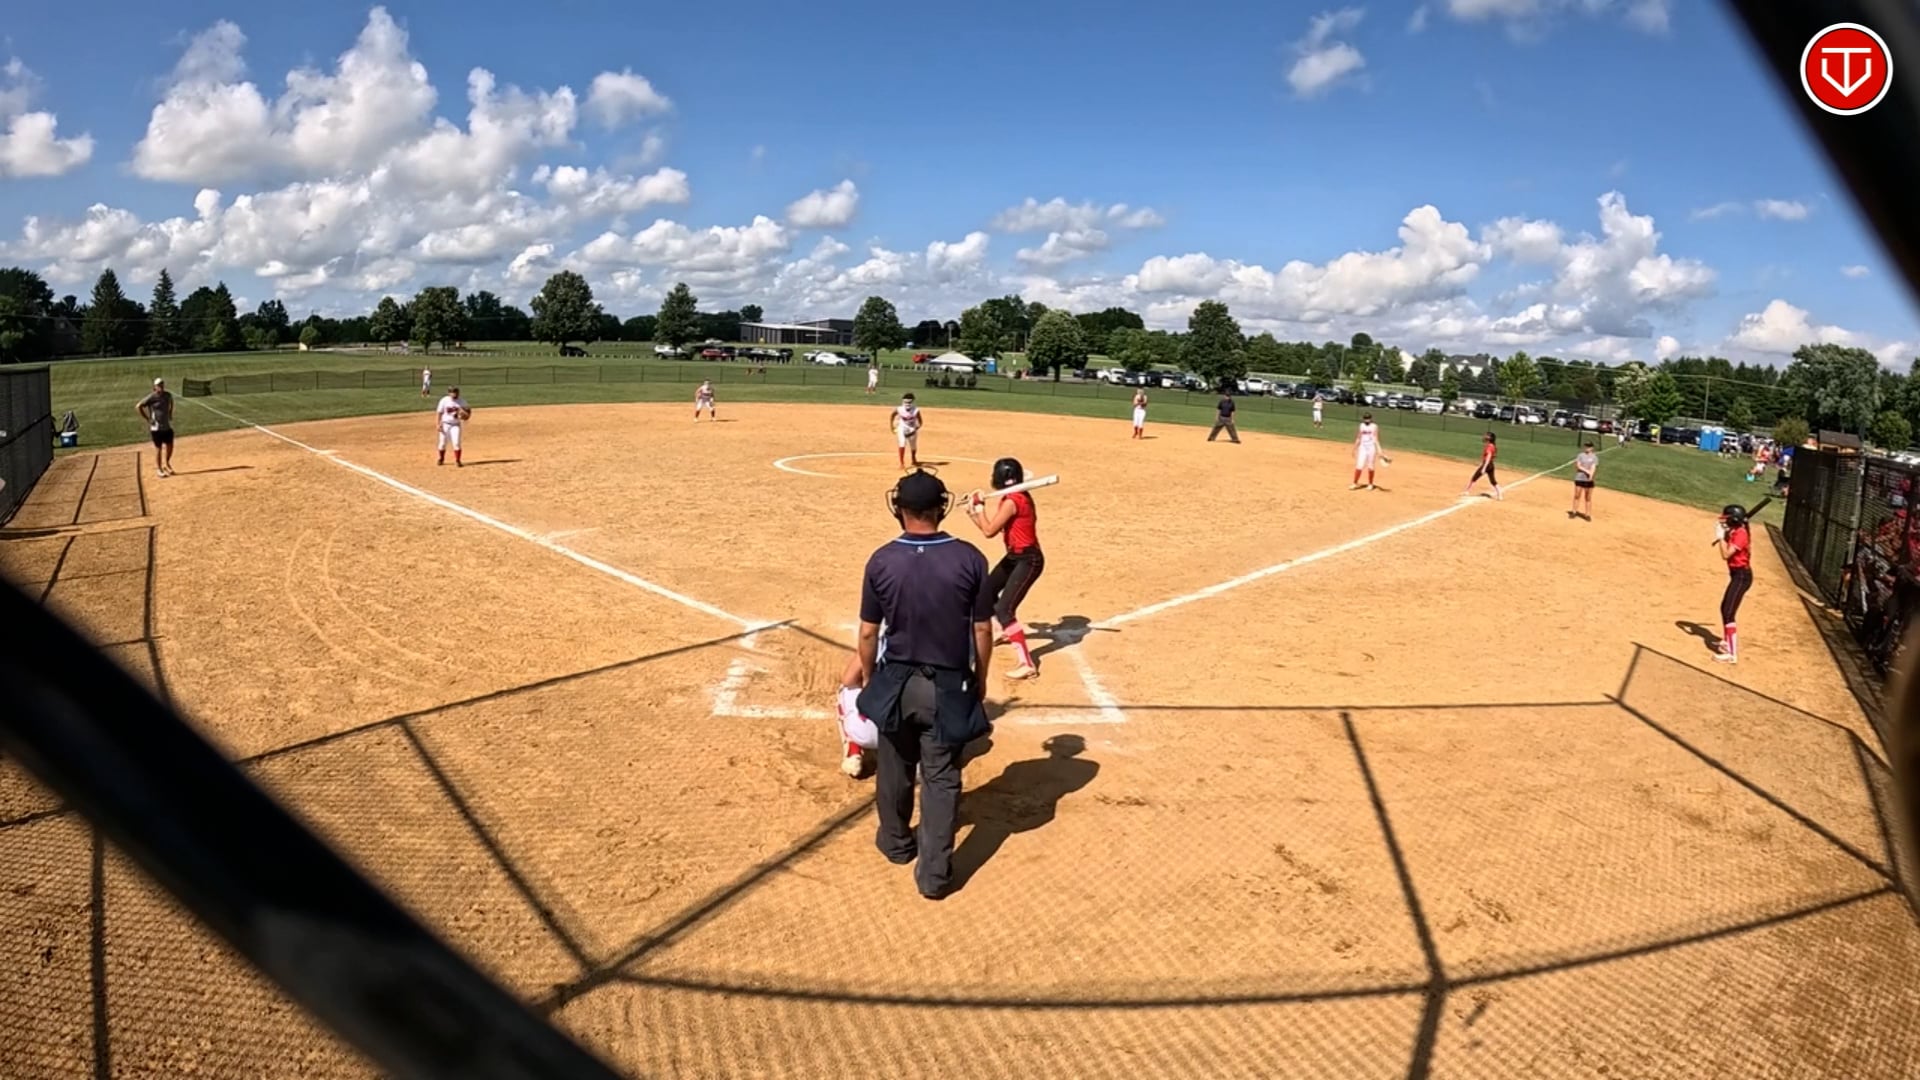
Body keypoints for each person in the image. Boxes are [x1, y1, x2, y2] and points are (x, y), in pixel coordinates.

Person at [846, 469, 993, 899]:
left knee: (894, 764)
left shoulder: (882, 559)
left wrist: (871, 678)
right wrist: (980, 678)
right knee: (941, 777)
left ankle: (896, 844)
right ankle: (933, 876)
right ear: (941, 508)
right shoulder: (970, 558)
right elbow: (982, 630)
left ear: (899, 508)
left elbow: (869, 633)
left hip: (896, 680)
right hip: (947, 684)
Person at [966, 458, 1045, 680]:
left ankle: (1027, 664)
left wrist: (980, 508)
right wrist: (973, 513)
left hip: (1029, 559)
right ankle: (1004, 631)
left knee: (1004, 609)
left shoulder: (1012, 501)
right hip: (1014, 556)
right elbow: (990, 528)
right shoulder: (1014, 497)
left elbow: (989, 531)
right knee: (987, 591)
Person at [1713, 503, 1753, 663]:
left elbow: (1726, 555)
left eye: (1728, 519)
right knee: (1725, 608)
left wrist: (1720, 538)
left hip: (1742, 577)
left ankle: (1731, 654)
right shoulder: (1736, 531)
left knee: (1728, 611)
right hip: (1736, 575)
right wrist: (1725, 534)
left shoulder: (1741, 534)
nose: (1724, 522)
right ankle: (1726, 642)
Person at [136, 378, 176, 478]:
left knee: (170, 445)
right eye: (158, 385)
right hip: (156, 428)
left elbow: (171, 401)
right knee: (158, 449)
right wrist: (148, 419)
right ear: (155, 387)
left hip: (166, 426)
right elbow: (139, 406)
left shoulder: (167, 395)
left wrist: (170, 413)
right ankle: (159, 469)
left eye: (162, 384)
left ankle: (167, 463)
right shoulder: (152, 397)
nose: (161, 386)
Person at [435, 386, 470, 466]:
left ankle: (458, 460)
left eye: (456, 392)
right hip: (445, 424)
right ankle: (441, 459)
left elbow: (468, 413)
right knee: (442, 443)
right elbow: (439, 413)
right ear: (449, 393)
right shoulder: (444, 400)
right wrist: (438, 424)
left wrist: (465, 415)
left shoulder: (462, 401)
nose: (454, 394)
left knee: (456, 443)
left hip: (456, 425)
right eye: (452, 392)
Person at [1463, 431, 1503, 500]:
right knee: (1493, 481)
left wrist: (1484, 467)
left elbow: (1488, 457)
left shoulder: (1489, 447)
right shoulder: (1493, 446)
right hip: (1491, 465)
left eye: (1487, 436)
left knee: (1474, 477)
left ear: (1490, 438)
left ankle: (1467, 491)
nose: (1485, 437)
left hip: (1487, 464)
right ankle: (1500, 495)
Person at [1351, 412, 1384, 490]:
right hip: (1363, 448)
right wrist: (1354, 449)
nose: (1367, 420)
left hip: (1371, 448)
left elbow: (1376, 439)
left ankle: (1370, 484)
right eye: (1365, 418)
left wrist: (1379, 450)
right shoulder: (1361, 426)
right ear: (1363, 419)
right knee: (1359, 465)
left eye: (1368, 418)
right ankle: (1355, 483)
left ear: (1371, 418)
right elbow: (1358, 438)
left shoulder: (1374, 426)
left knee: (1370, 466)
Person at [891, 393, 923, 469]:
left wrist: (915, 429)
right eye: (906, 402)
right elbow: (892, 416)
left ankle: (913, 458)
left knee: (913, 446)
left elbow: (920, 422)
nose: (907, 404)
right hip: (902, 427)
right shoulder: (899, 409)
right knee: (902, 443)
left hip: (912, 428)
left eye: (909, 402)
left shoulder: (916, 410)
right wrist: (892, 427)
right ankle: (901, 463)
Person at [1570, 441, 1598, 520]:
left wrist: (1591, 476)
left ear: (1592, 448)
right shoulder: (1580, 455)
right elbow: (1578, 466)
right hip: (1580, 478)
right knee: (1577, 495)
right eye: (1586, 446)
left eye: (1589, 446)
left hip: (1588, 480)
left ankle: (1587, 514)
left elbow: (1593, 467)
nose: (1587, 448)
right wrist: (1587, 471)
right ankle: (1574, 512)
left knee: (1588, 497)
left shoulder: (1594, 457)